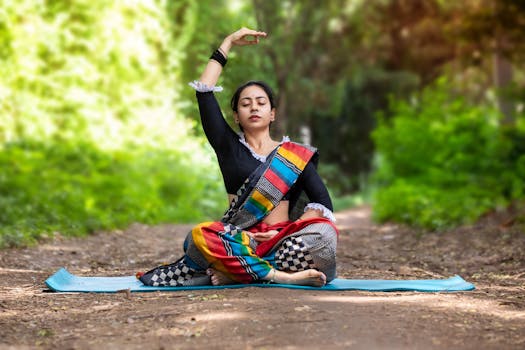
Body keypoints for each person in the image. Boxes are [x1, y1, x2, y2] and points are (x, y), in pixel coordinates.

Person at [138, 28, 338, 288]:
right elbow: (204, 93)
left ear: (272, 113)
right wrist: (228, 42)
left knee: (324, 237)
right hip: (237, 239)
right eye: (245, 104)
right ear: (236, 116)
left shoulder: (294, 155)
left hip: (280, 240)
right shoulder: (228, 146)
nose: (253, 107)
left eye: (260, 102)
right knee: (201, 235)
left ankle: (235, 270)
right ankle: (279, 276)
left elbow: (323, 206)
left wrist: (286, 230)